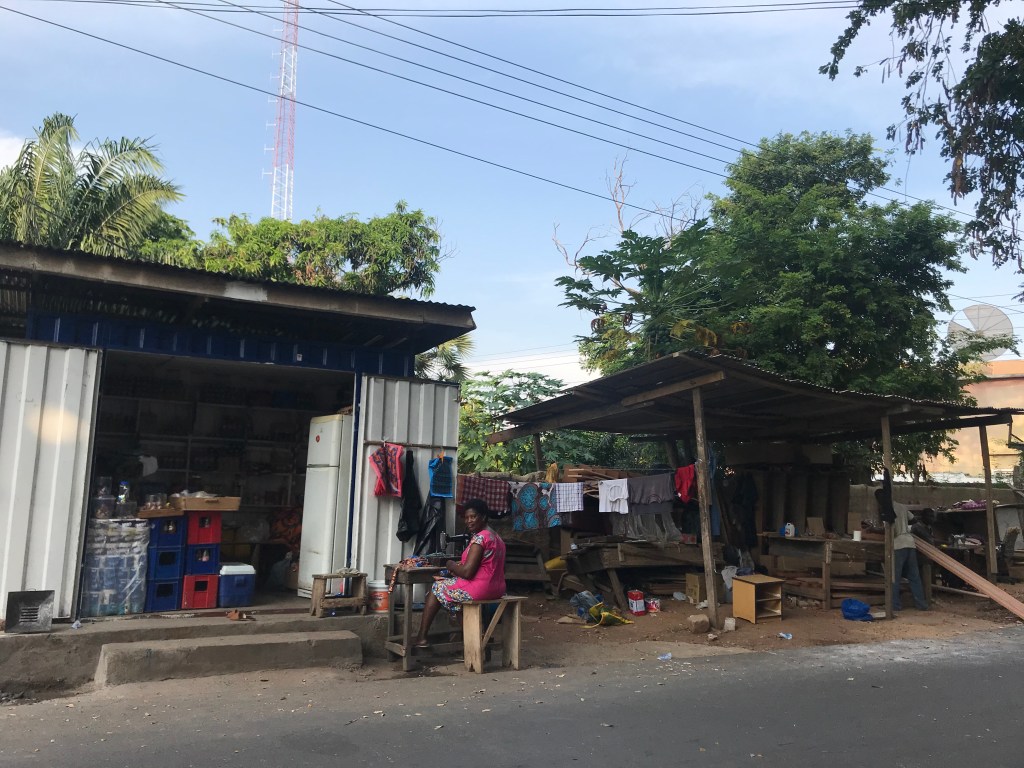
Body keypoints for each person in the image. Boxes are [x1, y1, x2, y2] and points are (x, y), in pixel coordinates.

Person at [414, 499, 506, 649]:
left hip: (481, 589)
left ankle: (421, 638)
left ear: (483, 517)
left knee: (436, 588)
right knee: (454, 593)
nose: (469, 521)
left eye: (473, 517)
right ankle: (477, 638)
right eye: (467, 517)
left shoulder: (480, 538)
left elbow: (467, 572)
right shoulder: (497, 538)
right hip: (498, 588)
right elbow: (492, 566)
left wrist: (450, 564)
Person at [877, 489, 929, 612]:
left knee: (894, 576)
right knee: (914, 576)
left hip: (898, 544)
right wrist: (905, 526)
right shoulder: (902, 506)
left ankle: (895, 605)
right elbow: (914, 519)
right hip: (910, 543)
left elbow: (890, 530)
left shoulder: (887, 509)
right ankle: (921, 604)